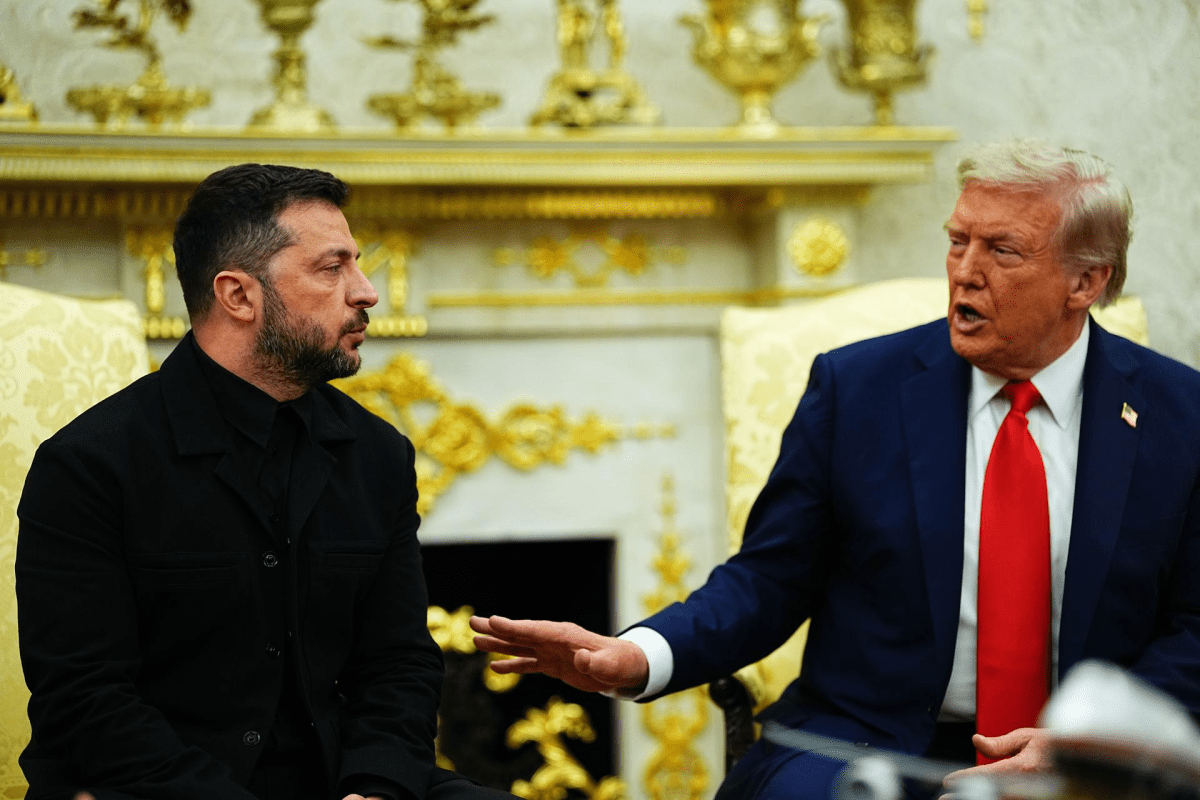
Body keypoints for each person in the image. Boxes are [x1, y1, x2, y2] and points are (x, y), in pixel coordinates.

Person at [470, 140, 1200, 798]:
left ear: (1086, 282)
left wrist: (1089, 741)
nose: (965, 272)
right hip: (866, 736)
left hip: (1085, 758)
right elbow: (770, 579)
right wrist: (639, 654)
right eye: (957, 242)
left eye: (1002, 251)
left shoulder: (1180, 416)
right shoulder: (859, 390)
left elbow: (1195, 626)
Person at [16, 164, 512, 800]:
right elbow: (86, 699)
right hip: (161, 788)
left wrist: (376, 787)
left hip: (341, 780)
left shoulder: (378, 453)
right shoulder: (88, 465)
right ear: (238, 296)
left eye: (357, 266)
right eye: (331, 269)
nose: (366, 292)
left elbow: (398, 662)